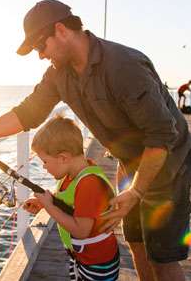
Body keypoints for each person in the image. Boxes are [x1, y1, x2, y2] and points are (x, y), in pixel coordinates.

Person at [0, 0, 191, 280]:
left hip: (167, 162)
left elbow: (162, 135)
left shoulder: (125, 66)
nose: (40, 55)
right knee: (136, 245)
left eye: (41, 46)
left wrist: (135, 192)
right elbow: (26, 114)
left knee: (162, 257)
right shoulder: (57, 74)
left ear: (61, 30)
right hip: (128, 162)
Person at [23, 115, 119, 280]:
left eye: (45, 161)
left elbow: (81, 231)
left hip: (98, 264)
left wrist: (50, 207)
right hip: (81, 258)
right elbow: (70, 202)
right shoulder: (69, 176)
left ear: (63, 158)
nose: (44, 168)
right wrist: (44, 203)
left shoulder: (89, 183)